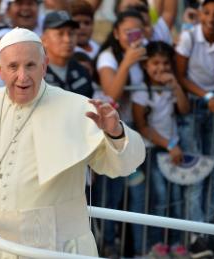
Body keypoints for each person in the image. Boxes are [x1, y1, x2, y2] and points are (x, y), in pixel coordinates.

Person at [0, 28, 145, 257]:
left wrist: (115, 133)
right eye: (13, 66)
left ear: (44, 65)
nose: (23, 76)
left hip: (59, 248)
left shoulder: (79, 108)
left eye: (31, 65)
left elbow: (122, 166)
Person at [175, 0, 214, 256]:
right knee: (197, 172)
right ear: (201, 14)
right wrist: (208, 97)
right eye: (207, 12)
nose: (212, 18)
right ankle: (197, 236)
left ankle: (209, 234)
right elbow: (181, 76)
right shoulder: (188, 36)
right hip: (192, 108)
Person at [95, 10, 147, 256]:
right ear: (116, 34)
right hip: (112, 141)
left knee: (138, 198)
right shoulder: (108, 57)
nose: (133, 37)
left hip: (136, 138)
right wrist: (127, 61)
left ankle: (137, 250)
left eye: (138, 31)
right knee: (112, 199)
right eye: (128, 32)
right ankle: (108, 246)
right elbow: (111, 97)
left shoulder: (145, 56)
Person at [131, 41, 189, 257]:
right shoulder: (141, 91)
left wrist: (175, 86)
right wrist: (170, 145)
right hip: (154, 150)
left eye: (166, 63)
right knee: (159, 198)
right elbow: (142, 125)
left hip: (171, 151)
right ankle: (157, 245)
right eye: (155, 63)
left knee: (175, 197)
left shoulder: (169, 87)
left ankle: (175, 243)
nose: (161, 68)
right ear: (146, 65)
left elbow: (184, 109)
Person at [41, 10, 93, 98]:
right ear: (44, 39)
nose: (67, 40)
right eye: (60, 34)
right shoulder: (36, 73)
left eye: (71, 33)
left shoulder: (82, 71)